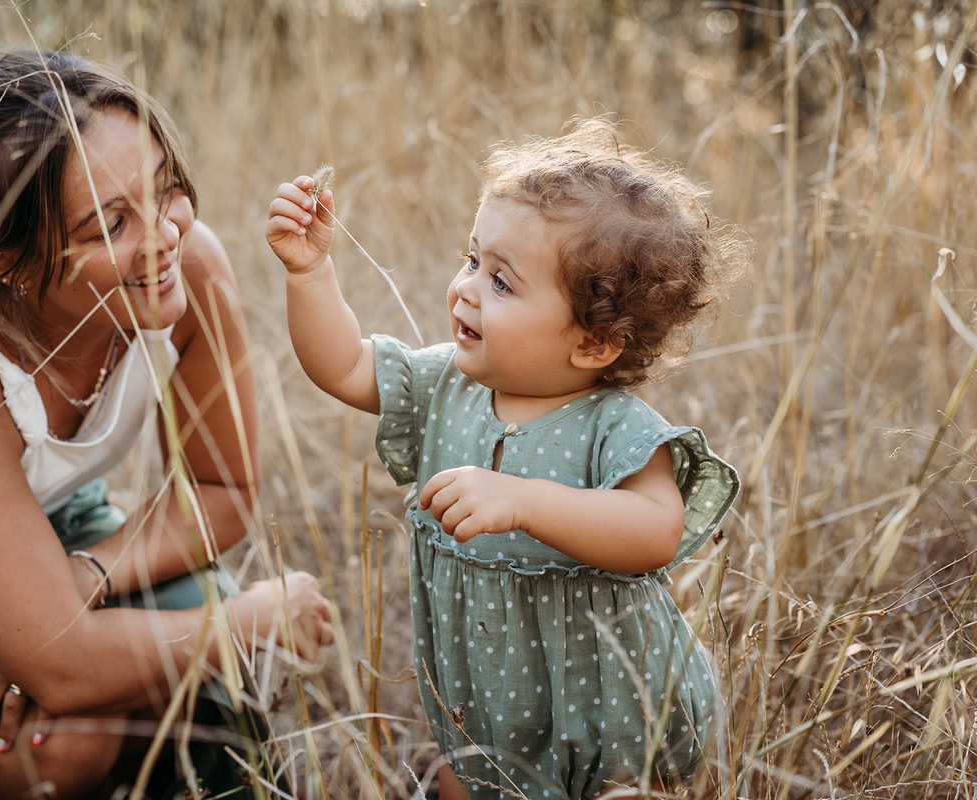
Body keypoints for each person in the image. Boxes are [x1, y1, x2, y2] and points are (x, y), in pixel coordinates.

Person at [0, 50, 335, 800]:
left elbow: (222, 487)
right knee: (54, 745)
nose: (164, 237)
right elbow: (63, 667)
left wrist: (86, 574)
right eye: (110, 223)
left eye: (165, 188)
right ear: (5, 261)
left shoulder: (189, 267)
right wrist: (244, 622)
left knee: (172, 693)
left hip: (53, 523)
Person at [266, 120, 742, 798]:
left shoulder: (617, 427)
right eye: (471, 261)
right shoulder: (446, 385)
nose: (464, 289)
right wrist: (310, 271)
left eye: (501, 282)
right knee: (466, 780)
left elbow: (654, 530)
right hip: (485, 708)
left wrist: (523, 500)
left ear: (594, 342)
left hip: (612, 715)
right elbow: (342, 365)